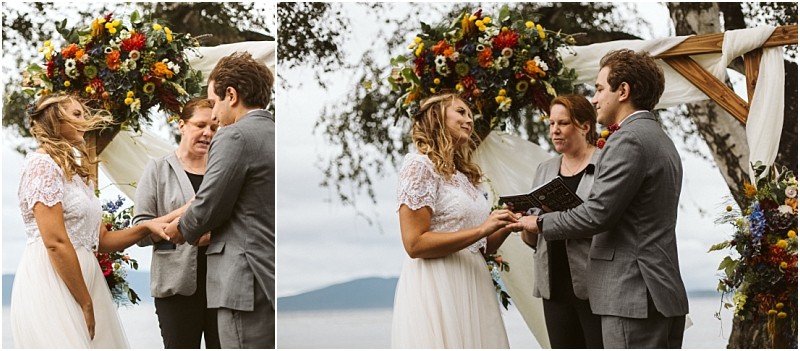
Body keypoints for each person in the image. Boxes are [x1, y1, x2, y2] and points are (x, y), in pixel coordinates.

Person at [508, 49, 689, 348]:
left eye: (599, 88)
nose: (594, 99)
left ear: (624, 91)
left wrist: (538, 221)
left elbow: (597, 214)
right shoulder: (660, 138)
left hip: (632, 294)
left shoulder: (628, 139)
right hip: (658, 291)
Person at [10, 94, 169, 348]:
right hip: (53, 283)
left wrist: (145, 227)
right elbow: (55, 242)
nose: (85, 121)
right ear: (54, 119)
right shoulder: (42, 166)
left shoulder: (77, 173)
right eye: (76, 115)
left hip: (87, 283)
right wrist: (85, 301)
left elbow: (101, 240)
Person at [163, 52, 275, 348]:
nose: (213, 115)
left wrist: (181, 229)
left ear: (231, 94)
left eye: (213, 103)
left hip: (243, 282)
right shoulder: (274, 133)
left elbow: (209, 204)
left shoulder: (234, 136)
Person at [391, 93, 518, 348]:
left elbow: (482, 246)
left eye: (470, 114)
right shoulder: (420, 166)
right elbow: (414, 243)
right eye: (461, 112)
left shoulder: (466, 176)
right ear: (437, 116)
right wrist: (483, 228)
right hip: (438, 284)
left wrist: (505, 223)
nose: (469, 120)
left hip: (473, 280)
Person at [132, 98, 221, 348]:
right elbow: (141, 231)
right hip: (175, 289)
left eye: (214, 128)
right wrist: (183, 216)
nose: (207, 133)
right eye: (200, 125)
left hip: (222, 287)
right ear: (181, 125)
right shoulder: (157, 169)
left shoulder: (222, 171)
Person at [523, 95, 603, 348]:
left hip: (595, 284)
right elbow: (532, 239)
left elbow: (604, 219)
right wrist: (524, 221)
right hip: (553, 285)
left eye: (563, 123)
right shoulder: (544, 169)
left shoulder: (605, 163)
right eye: (551, 123)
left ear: (585, 126)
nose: (555, 130)